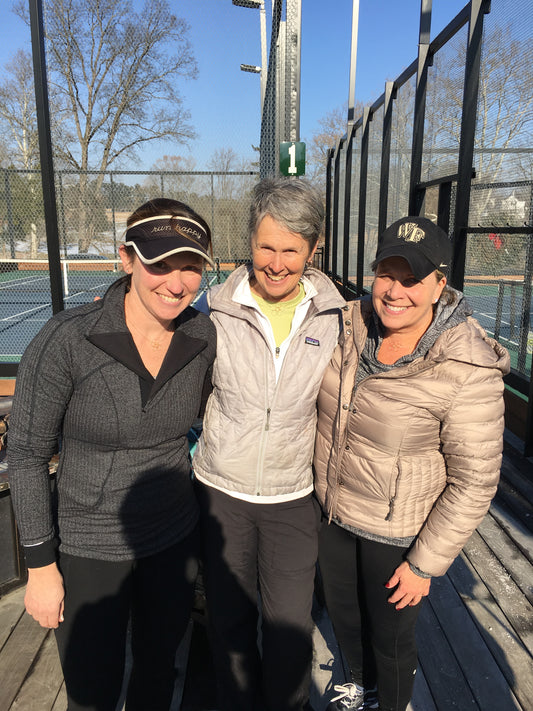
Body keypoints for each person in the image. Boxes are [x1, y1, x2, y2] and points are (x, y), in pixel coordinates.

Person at [8, 198, 217, 711]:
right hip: (88, 548)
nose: (176, 283)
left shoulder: (202, 335)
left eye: (190, 266)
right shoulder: (67, 339)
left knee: (157, 672)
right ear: (127, 259)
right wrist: (40, 566)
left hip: (173, 540)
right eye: (160, 264)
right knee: (91, 690)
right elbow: (28, 454)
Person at [313, 216, 510, 711]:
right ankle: (359, 685)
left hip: (396, 530)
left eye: (412, 279)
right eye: (386, 274)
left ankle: (390, 702)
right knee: (345, 617)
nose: (395, 291)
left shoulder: (467, 366)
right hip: (333, 510)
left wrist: (424, 564)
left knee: (391, 639)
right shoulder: (347, 323)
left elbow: (474, 481)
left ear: (440, 286)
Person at [192, 177, 346, 711]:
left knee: (288, 626)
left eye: (291, 250)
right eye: (266, 247)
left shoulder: (339, 317)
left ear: (313, 248)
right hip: (221, 493)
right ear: (249, 243)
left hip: (293, 496)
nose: (276, 263)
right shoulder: (214, 309)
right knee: (228, 623)